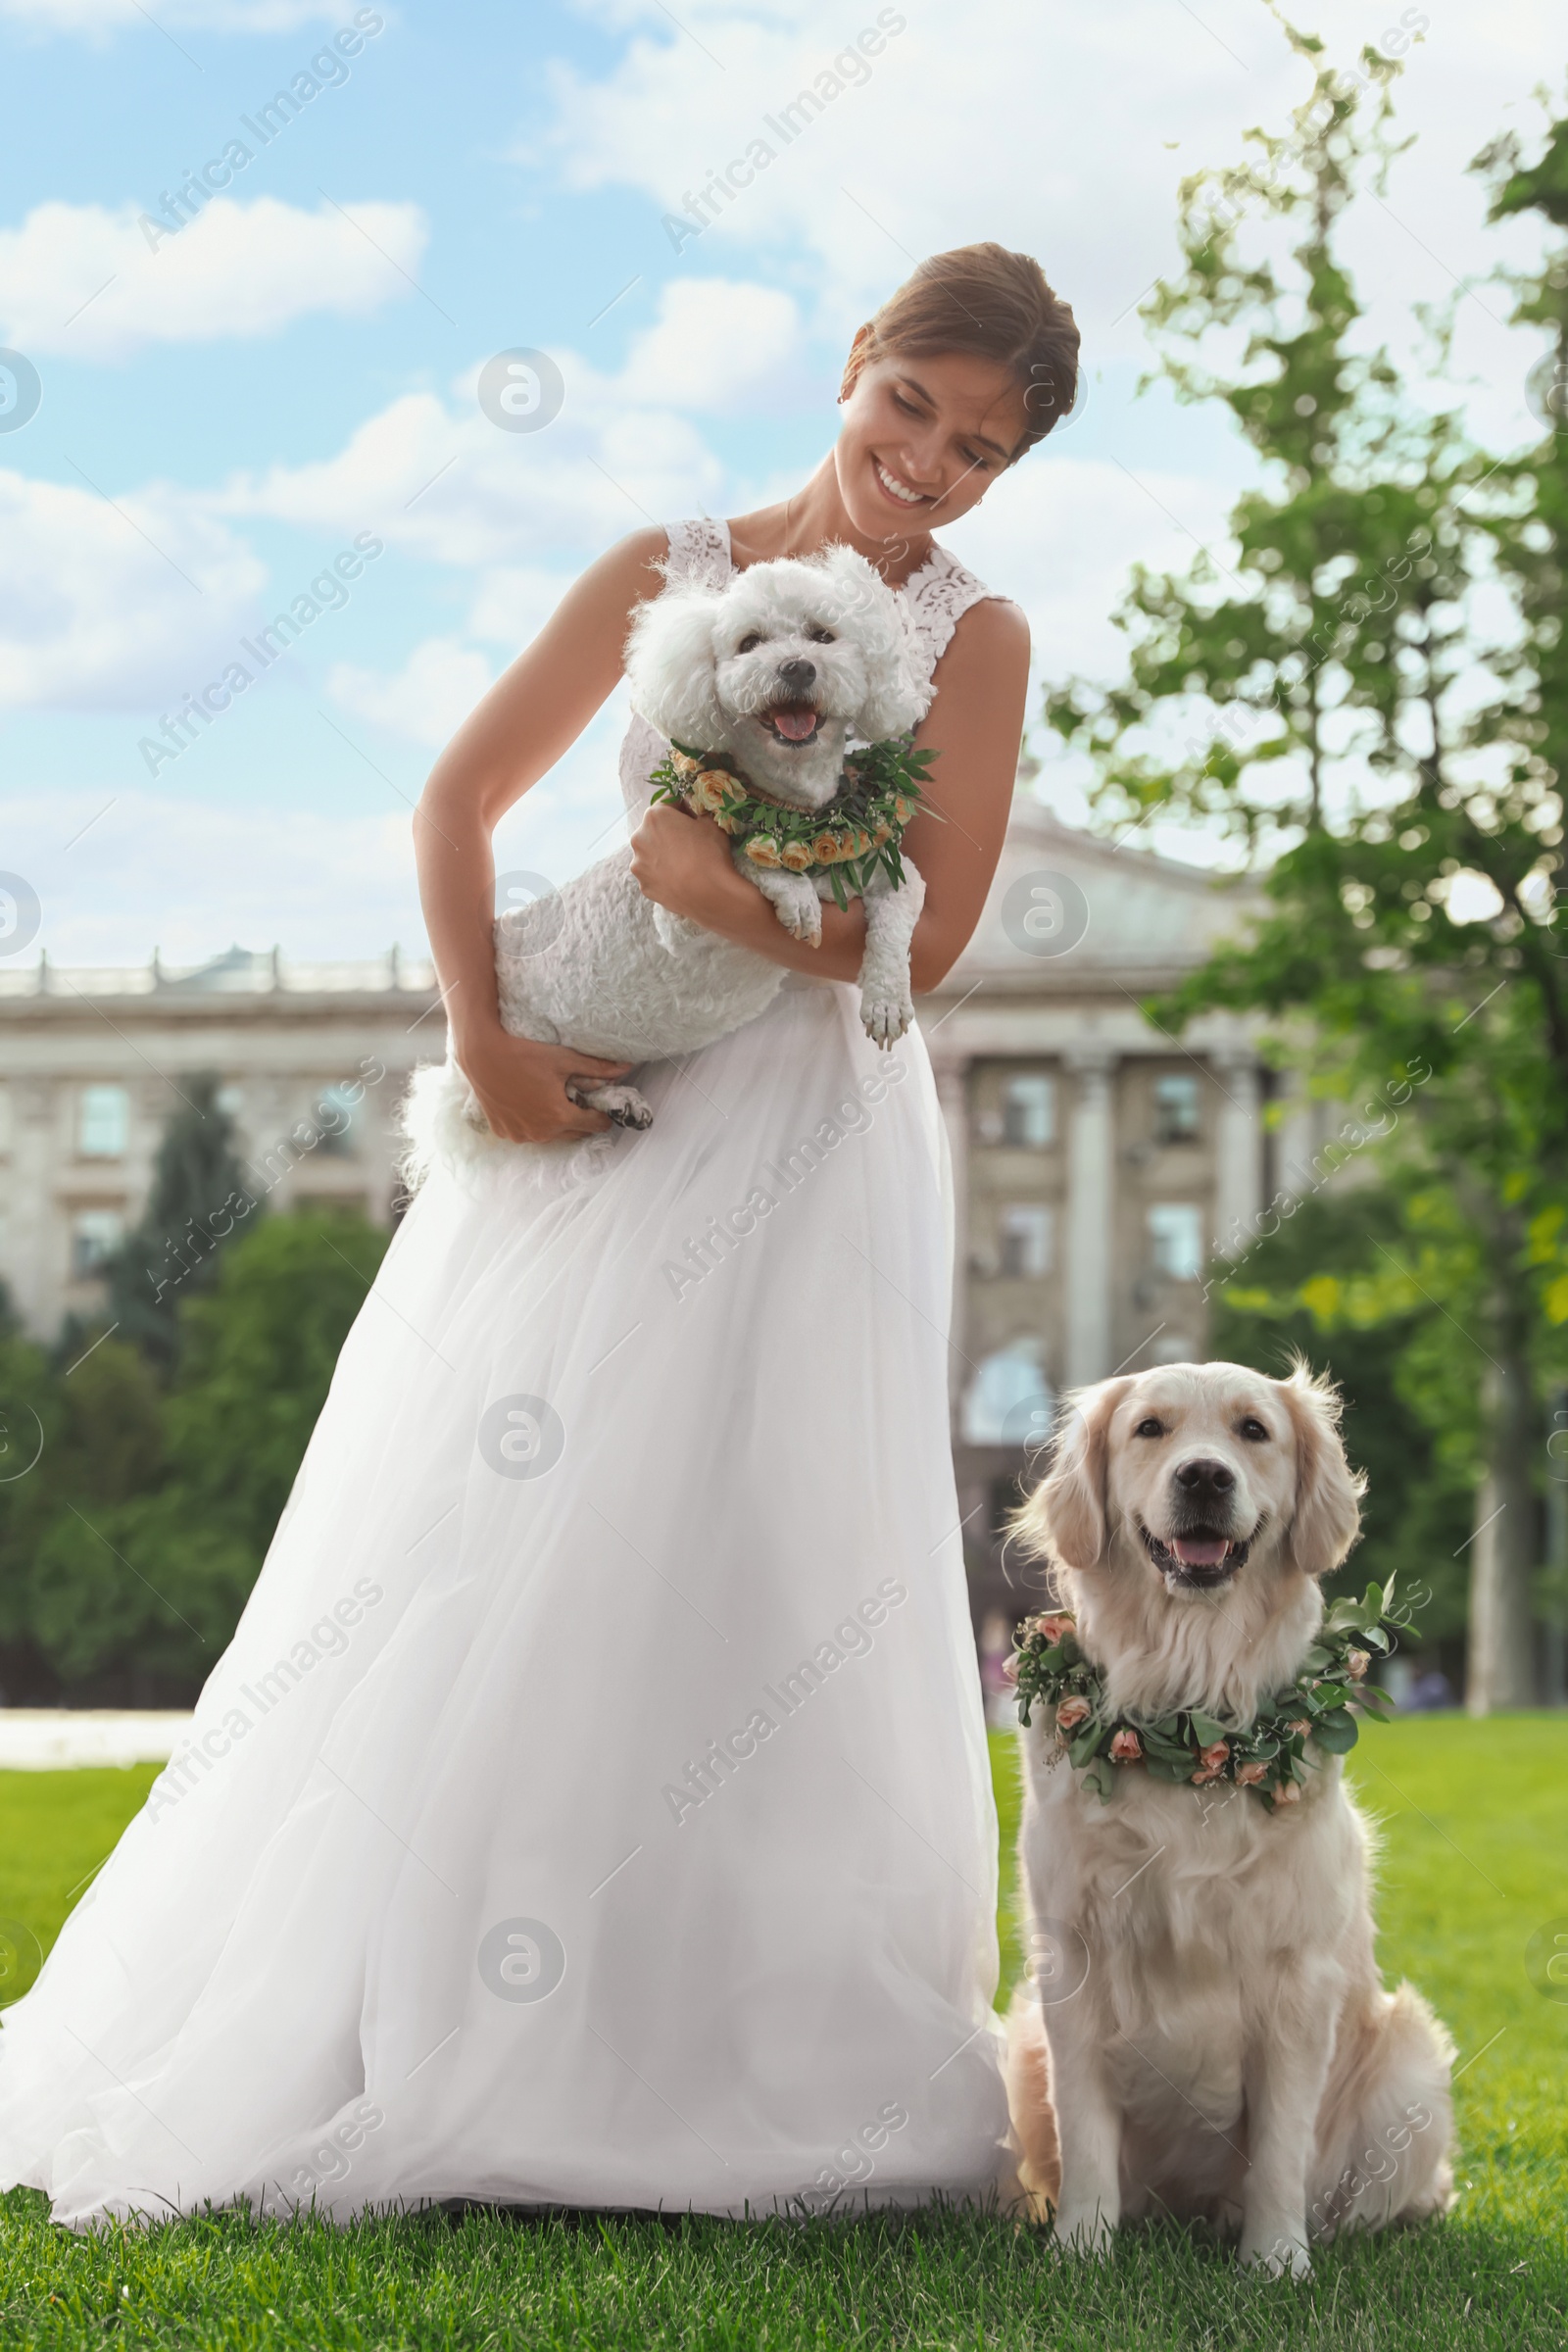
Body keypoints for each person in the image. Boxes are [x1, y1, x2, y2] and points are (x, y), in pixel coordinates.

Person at [0, 242, 1079, 2226]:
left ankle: (742, 2056)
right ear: (855, 363)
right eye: (912, 405)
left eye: (980, 448)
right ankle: (422, 2014)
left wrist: (705, 880)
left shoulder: (975, 639)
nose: (927, 462)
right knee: (499, 1526)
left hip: (813, 1128)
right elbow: (455, 796)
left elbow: (923, 942)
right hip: (587, 1110)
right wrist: (480, 1037)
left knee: (765, 1540)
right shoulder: (658, 566)